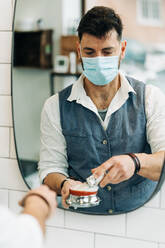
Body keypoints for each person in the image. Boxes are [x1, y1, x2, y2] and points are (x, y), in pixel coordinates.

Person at [38, 6, 165, 214]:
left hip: (140, 221)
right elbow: (50, 169)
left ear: (122, 50)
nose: (98, 59)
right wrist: (63, 184)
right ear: (79, 51)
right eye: (90, 52)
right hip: (81, 224)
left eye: (107, 52)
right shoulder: (54, 106)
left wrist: (136, 162)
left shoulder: (150, 98)